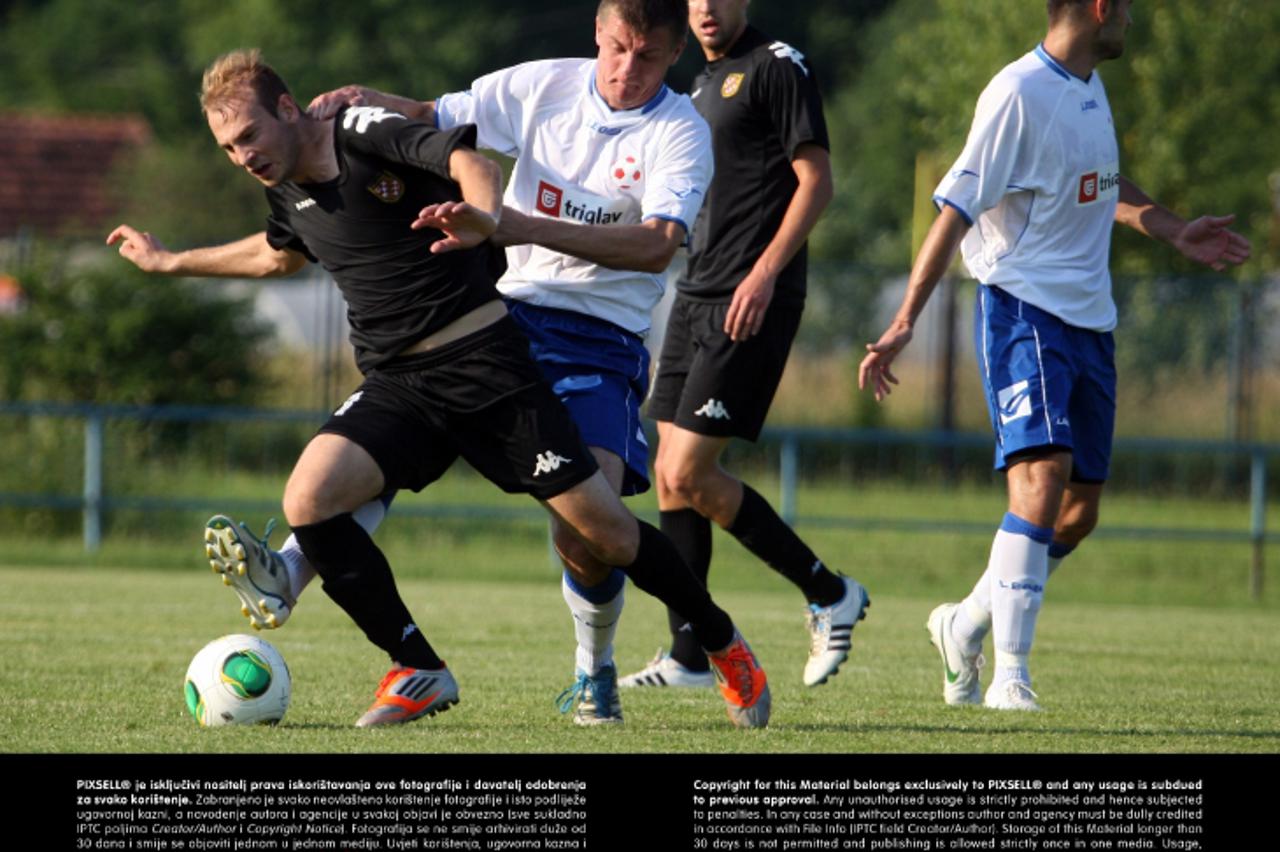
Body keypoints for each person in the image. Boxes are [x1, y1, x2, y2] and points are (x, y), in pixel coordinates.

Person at [107, 48, 771, 730]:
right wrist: (171, 262)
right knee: (309, 498)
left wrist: (483, 217)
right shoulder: (282, 188)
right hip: (401, 384)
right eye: (227, 147)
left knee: (605, 534)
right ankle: (415, 666)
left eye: (248, 135)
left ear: (285, 108)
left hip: (486, 366)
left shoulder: (360, 131)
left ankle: (720, 640)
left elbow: (473, 162)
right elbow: (277, 255)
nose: (242, 156)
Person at [234, 0, 716, 727]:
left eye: (647, 56)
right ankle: (297, 569)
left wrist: (509, 223)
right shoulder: (545, 84)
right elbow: (438, 115)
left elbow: (655, 246)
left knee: (590, 534)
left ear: (674, 53)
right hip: (503, 312)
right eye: (617, 48)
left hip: (598, 336)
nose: (627, 68)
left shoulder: (680, 131)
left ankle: (598, 668)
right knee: (391, 436)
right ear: (596, 32)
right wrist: (370, 100)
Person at [858, 0, 1250, 711]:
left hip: (1091, 323)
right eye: (1124, 9)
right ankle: (1010, 677)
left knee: (1077, 513)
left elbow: (1098, 187)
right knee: (1040, 481)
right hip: (1022, 309)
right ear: (1099, 8)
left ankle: (963, 624)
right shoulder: (1017, 93)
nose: (1130, 21)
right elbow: (955, 209)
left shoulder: (1090, 88)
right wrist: (906, 320)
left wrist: (1171, 229)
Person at [620, 0, 869, 693]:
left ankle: (829, 592)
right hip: (696, 293)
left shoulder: (777, 66)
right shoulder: (699, 82)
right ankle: (688, 656)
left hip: (751, 297)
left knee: (693, 472)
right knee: (669, 474)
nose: (706, 7)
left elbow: (817, 183)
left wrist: (764, 274)